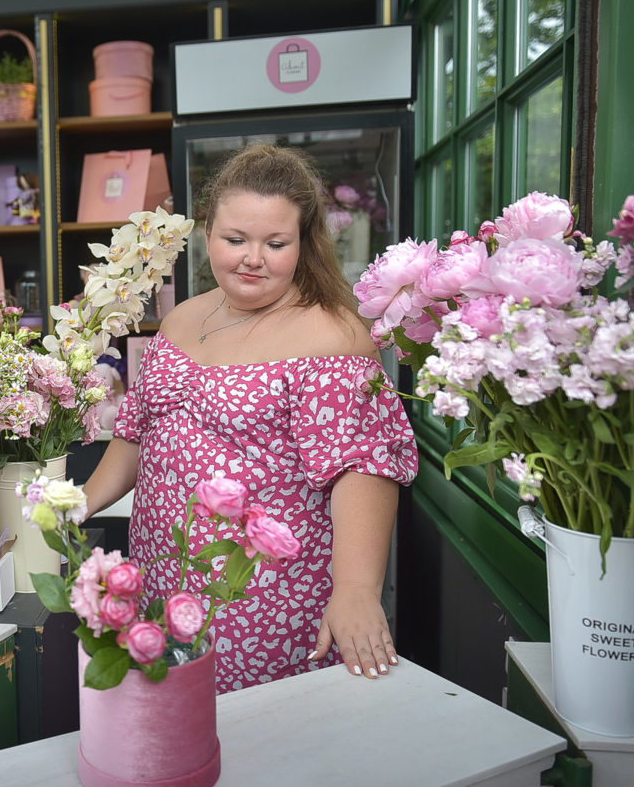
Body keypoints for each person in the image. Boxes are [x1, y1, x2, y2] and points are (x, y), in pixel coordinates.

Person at [81, 144, 418, 693]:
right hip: (163, 576)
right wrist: (78, 504)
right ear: (207, 231)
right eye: (235, 239)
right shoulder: (183, 319)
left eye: (275, 243)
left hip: (264, 600)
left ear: (303, 243)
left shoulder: (331, 335)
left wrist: (357, 588)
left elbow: (363, 467)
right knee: (175, 732)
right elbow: (136, 435)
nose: (252, 258)